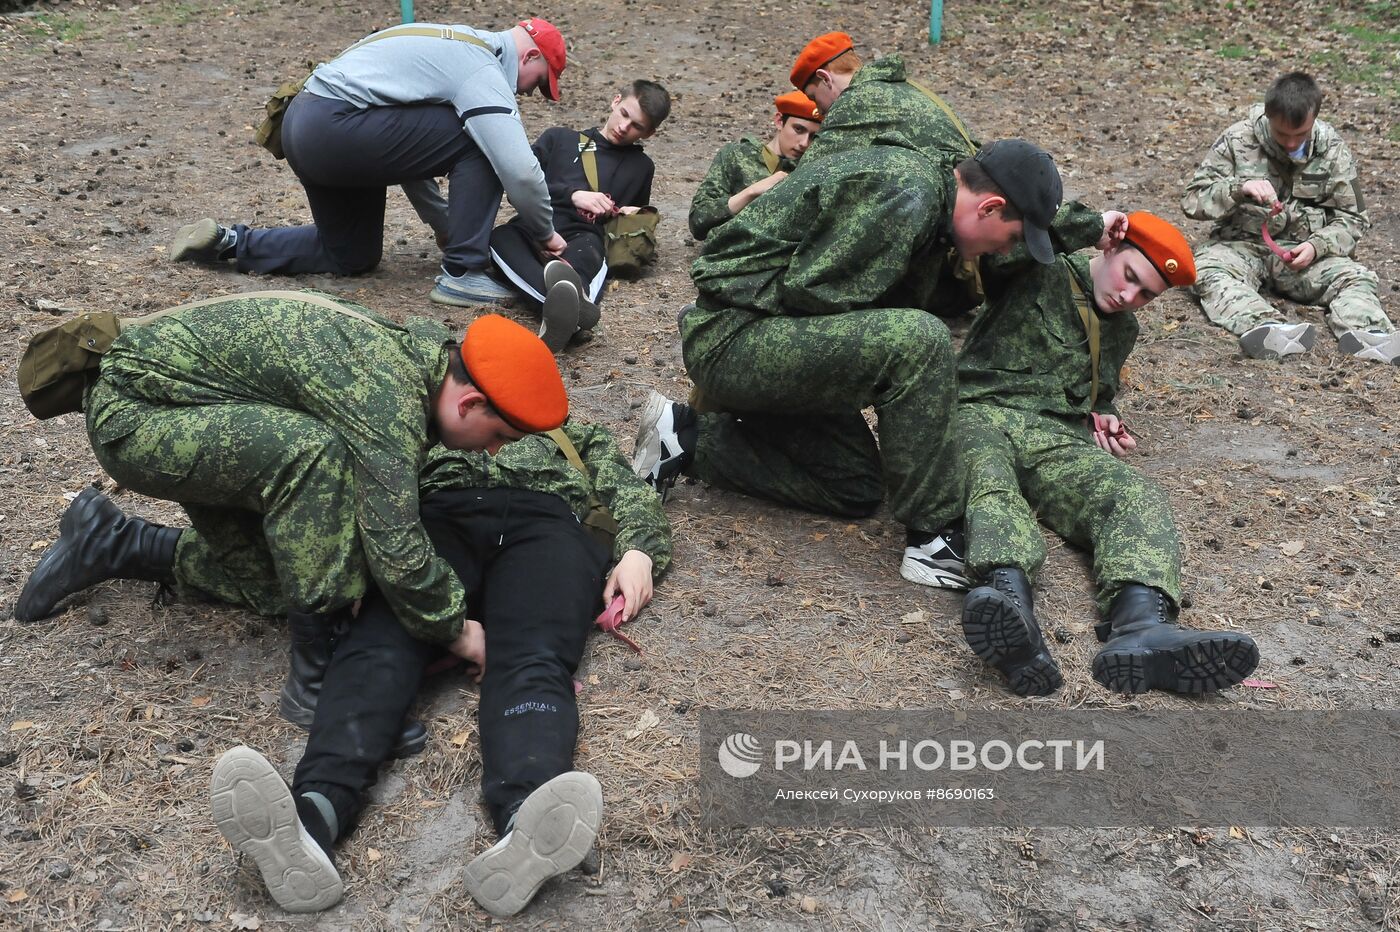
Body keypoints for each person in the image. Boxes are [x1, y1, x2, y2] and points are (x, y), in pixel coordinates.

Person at [16, 300, 568, 737]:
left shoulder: (416, 361)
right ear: (469, 403)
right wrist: (457, 629)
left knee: (282, 586)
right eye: (498, 437)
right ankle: (314, 680)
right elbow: (394, 541)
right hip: (138, 416)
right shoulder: (388, 395)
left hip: (193, 404)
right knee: (315, 458)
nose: (492, 452)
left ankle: (117, 542)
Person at [209, 418, 671, 916]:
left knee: (533, 657)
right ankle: (312, 815)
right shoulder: (422, 418)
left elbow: (625, 486)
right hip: (434, 525)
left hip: (548, 526)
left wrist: (640, 549)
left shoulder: (570, 432)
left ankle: (527, 819)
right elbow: (362, 479)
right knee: (380, 641)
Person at [634, 138, 1066, 590]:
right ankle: (933, 539)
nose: (1003, 252)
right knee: (921, 341)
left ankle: (681, 437)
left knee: (853, 486)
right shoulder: (908, 191)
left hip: (767, 334)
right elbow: (814, 292)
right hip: (733, 336)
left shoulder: (929, 200)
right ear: (991, 207)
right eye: (1013, 237)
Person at [956, 211, 1259, 697]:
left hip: (1055, 437)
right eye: (1131, 277)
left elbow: (1097, 389)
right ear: (1111, 248)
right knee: (989, 479)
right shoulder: (1042, 267)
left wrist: (1103, 412)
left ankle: (1142, 626)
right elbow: (1009, 238)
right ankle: (1011, 605)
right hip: (979, 412)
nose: (1129, 296)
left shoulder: (1122, 329)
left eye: (1145, 295)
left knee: (1132, 493)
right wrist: (1085, 222)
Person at [169, 19, 571, 308]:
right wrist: (546, 233)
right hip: (336, 126)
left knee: (350, 254)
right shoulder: (480, 67)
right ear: (531, 54)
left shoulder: (450, 40)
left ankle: (232, 243)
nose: (529, 93)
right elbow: (517, 168)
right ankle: (464, 275)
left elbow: (412, 151)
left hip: (304, 126)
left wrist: (444, 225)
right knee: (486, 138)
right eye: (537, 82)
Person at [1181, 71, 1396, 363]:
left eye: (1301, 134)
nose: (1292, 143)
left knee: (1355, 276)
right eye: (1283, 134)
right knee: (1206, 269)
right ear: (1268, 116)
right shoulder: (1237, 139)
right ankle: (1266, 327)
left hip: (1302, 257)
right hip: (1242, 247)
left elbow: (1352, 219)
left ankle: (1369, 333)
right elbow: (1193, 200)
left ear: (1314, 119)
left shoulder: (1332, 150)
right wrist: (1237, 189)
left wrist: (1316, 246)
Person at [490, 80, 672, 351]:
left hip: (585, 237)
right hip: (534, 227)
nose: (624, 128)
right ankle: (570, 311)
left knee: (590, 253)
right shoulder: (559, 139)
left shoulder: (641, 167)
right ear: (615, 101)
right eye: (624, 115)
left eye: (637, 126)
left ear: (650, 134)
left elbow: (624, 235)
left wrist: (630, 215)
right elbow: (518, 186)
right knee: (500, 238)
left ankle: (564, 303)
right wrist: (573, 195)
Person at [790, 31, 978, 167]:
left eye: (814, 97)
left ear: (825, 78)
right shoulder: (905, 88)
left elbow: (807, 175)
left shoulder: (854, 101)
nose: (820, 110)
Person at [688, 90, 823, 241]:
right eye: (798, 129)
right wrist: (750, 192)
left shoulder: (812, 169)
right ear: (779, 121)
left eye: (813, 136)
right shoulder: (738, 156)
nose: (804, 143)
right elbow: (698, 221)